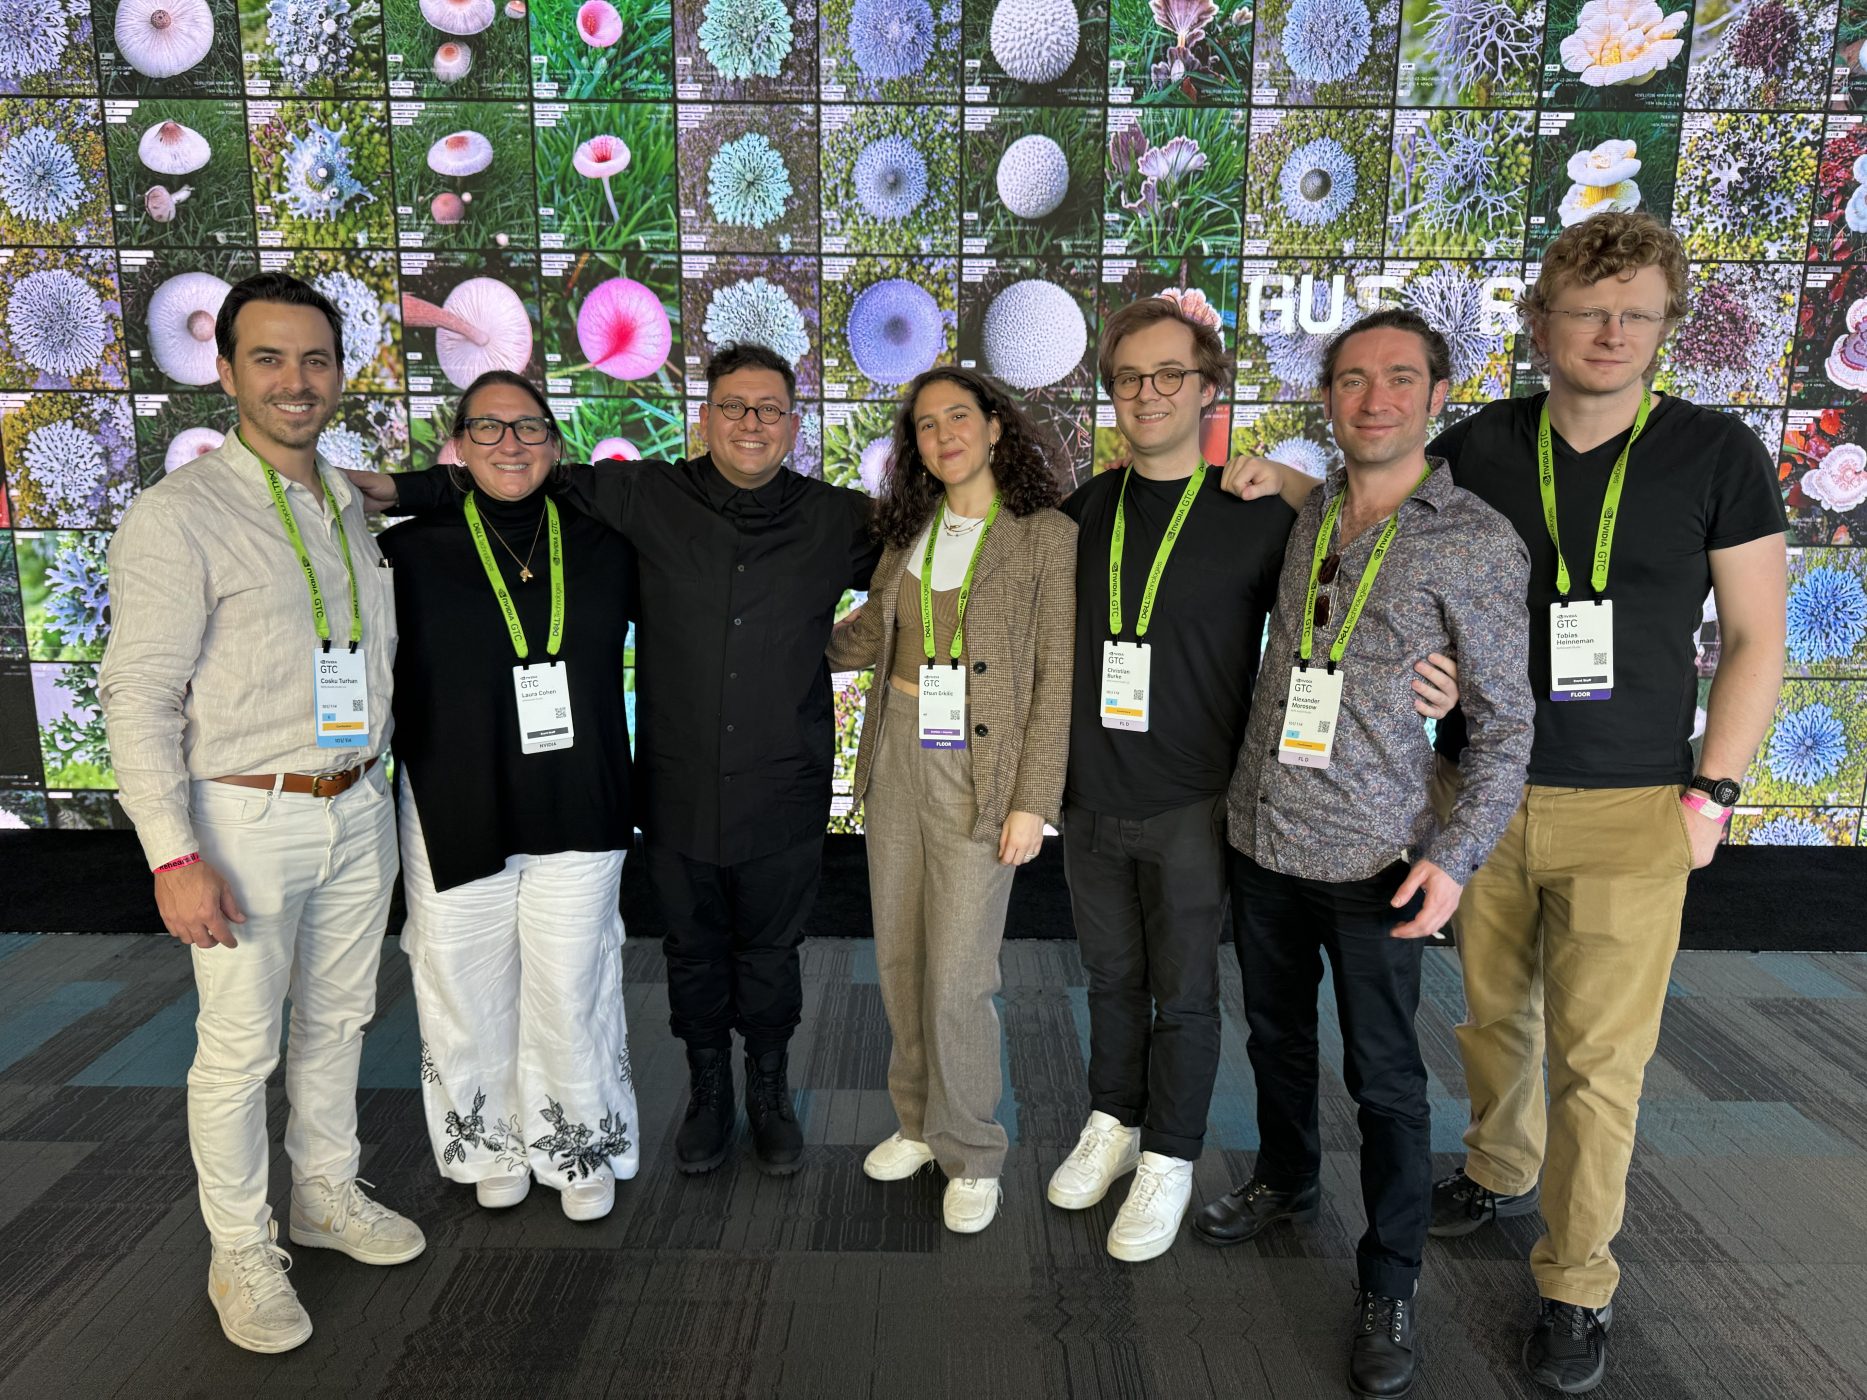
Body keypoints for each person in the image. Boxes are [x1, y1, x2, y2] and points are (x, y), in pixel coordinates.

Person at [348, 342, 879, 1178]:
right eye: (733, 406)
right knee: (691, 950)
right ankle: (710, 1093)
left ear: (792, 423)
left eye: (769, 409)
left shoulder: (839, 517)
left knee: (772, 952)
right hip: (675, 783)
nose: (750, 422)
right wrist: (407, 487)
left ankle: (770, 1092)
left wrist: (845, 648)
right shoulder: (645, 494)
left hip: (784, 780)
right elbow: (518, 472)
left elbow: (933, 557)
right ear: (703, 418)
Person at [1412, 214, 1786, 1393]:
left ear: (1665, 325)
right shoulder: (1474, 447)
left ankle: (1575, 1279)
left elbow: (1756, 637)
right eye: (1587, 310)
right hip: (1482, 793)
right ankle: (1497, 1163)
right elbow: (1408, 583)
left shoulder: (1716, 453)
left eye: (1635, 313)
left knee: (1599, 1062)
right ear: (1540, 323)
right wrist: (1427, 664)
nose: (1611, 332)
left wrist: (1713, 792)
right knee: (1491, 1019)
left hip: (1634, 805)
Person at [1044, 295, 1462, 1264]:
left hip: (1199, 800)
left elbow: (1365, 568)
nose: (1147, 393)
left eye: (1170, 374)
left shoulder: (1260, 512)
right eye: (1128, 378)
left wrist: (1435, 671)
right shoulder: (1083, 511)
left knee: (1185, 993)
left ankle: (1169, 1154)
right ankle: (1112, 1119)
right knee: (1109, 977)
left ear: (1208, 389)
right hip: (1089, 794)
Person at [1203, 308, 1535, 1399]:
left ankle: (1388, 1279)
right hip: (1263, 832)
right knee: (1272, 1033)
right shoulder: (1314, 510)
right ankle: (1287, 1177)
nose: (1374, 398)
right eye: (1352, 379)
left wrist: (1456, 855)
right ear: (1329, 398)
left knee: (1385, 1080)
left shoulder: (1473, 540)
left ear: (1438, 396)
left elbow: (1506, 726)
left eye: (1399, 378)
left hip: (1379, 858)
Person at [98, 273, 423, 1356]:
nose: (296, 380)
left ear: (339, 373)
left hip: (358, 801)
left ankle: (323, 1192)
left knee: (338, 1020)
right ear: (226, 370)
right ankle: (239, 1246)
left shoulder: (349, 502)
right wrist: (172, 855)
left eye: (315, 359)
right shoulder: (178, 515)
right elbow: (137, 695)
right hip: (244, 817)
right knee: (239, 1050)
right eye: (270, 359)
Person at [377, 370, 638, 1222]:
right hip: (455, 800)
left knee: (571, 982)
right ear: (457, 445)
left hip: (581, 795)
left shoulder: (607, 545)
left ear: (555, 444)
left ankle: (577, 1141)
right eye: (486, 428)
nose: (510, 443)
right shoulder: (408, 551)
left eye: (528, 427)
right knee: (463, 980)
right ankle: (490, 1143)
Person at [827, 367, 1075, 1235]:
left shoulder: (1044, 537)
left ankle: (971, 1148)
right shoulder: (910, 530)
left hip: (982, 764)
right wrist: (785, 637)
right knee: (899, 954)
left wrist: (1032, 800)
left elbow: (1054, 676)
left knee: (961, 973)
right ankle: (915, 1122)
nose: (944, 435)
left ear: (996, 427)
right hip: (898, 744)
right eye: (926, 425)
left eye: (958, 416)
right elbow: (872, 630)